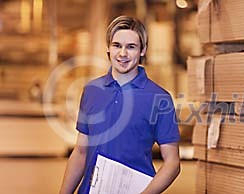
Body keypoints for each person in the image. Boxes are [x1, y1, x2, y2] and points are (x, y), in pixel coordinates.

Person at [59, 16, 181, 194]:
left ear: (142, 50)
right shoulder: (92, 91)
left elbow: (172, 163)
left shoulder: (159, 98)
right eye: (117, 45)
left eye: (131, 47)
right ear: (108, 47)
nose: (122, 54)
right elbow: (80, 152)